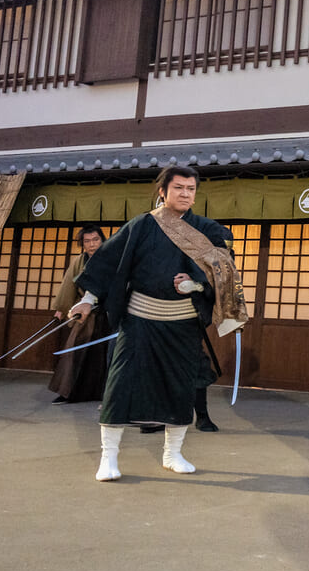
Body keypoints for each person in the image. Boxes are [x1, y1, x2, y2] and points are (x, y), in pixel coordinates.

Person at [70, 165, 247, 482]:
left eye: (191, 189)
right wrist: (88, 299)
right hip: (139, 320)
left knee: (180, 388)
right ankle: (108, 458)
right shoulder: (142, 225)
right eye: (178, 187)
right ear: (162, 191)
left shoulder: (207, 228)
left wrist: (195, 284)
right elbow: (107, 262)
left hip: (182, 324)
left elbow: (224, 270)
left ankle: (172, 453)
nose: (185, 194)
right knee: (119, 385)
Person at [47, 226, 108, 404]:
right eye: (87, 241)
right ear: (82, 244)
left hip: (107, 312)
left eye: (95, 239)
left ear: (102, 240)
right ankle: (69, 393)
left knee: (103, 356)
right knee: (75, 350)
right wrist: (61, 306)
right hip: (85, 313)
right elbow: (69, 284)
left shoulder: (111, 259)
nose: (92, 244)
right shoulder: (79, 261)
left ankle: (103, 394)